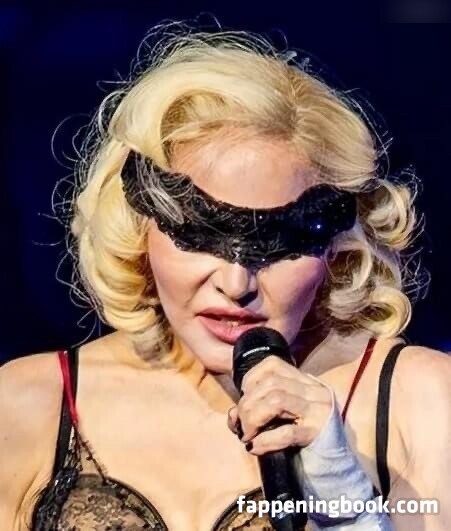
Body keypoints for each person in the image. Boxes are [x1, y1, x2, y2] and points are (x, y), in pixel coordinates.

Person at [0, 21, 450, 531]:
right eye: (199, 235)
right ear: (139, 223)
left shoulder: (421, 401)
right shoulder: (29, 405)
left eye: (280, 244)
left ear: (336, 244)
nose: (237, 285)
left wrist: (342, 497)